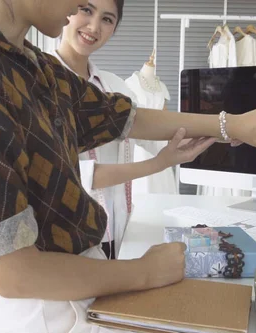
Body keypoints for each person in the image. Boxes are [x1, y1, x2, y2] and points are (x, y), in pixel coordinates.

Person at [0, 0, 256, 333]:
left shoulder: (26, 64)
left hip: (76, 290)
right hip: (41, 313)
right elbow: (14, 275)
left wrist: (230, 125)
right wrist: (144, 272)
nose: (80, 10)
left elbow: (121, 117)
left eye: (105, 16)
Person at [50, 0, 210, 260]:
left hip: (119, 232)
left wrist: (213, 133)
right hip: (70, 239)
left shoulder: (118, 88)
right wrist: (158, 164)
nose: (94, 26)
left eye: (107, 19)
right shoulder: (42, 82)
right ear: (67, 8)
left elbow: (151, 141)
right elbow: (78, 175)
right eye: (87, 10)